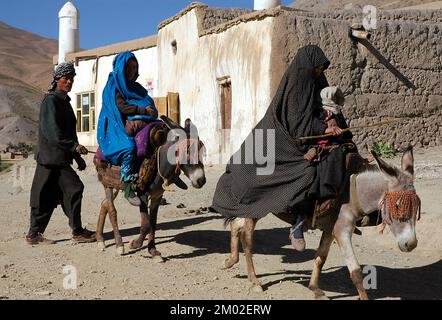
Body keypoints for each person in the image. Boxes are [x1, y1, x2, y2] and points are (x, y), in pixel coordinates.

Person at [212, 45, 341, 252]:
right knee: (307, 173)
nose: (319, 73)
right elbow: (298, 125)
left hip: (312, 139)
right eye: (316, 69)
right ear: (306, 68)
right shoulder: (296, 89)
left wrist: (334, 122)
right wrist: (324, 127)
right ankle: (298, 220)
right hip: (283, 142)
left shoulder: (317, 84)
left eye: (321, 69)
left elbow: (328, 106)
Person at [26, 62, 96, 245]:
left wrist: (77, 156)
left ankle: (77, 231)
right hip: (49, 159)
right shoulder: (51, 101)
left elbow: (68, 133)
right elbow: (53, 133)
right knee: (43, 196)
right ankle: (34, 235)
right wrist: (74, 147)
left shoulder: (64, 102)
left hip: (60, 160)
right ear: (57, 80)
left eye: (72, 78)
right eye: (66, 78)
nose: (69, 81)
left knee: (73, 190)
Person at [97, 52, 158, 206]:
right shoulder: (113, 87)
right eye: (128, 67)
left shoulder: (135, 87)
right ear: (121, 68)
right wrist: (144, 112)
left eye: (134, 67)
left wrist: (149, 110)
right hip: (113, 125)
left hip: (133, 120)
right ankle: (128, 186)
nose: (131, 71)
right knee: (129, 147)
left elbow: (147, 102)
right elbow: (123, 107)